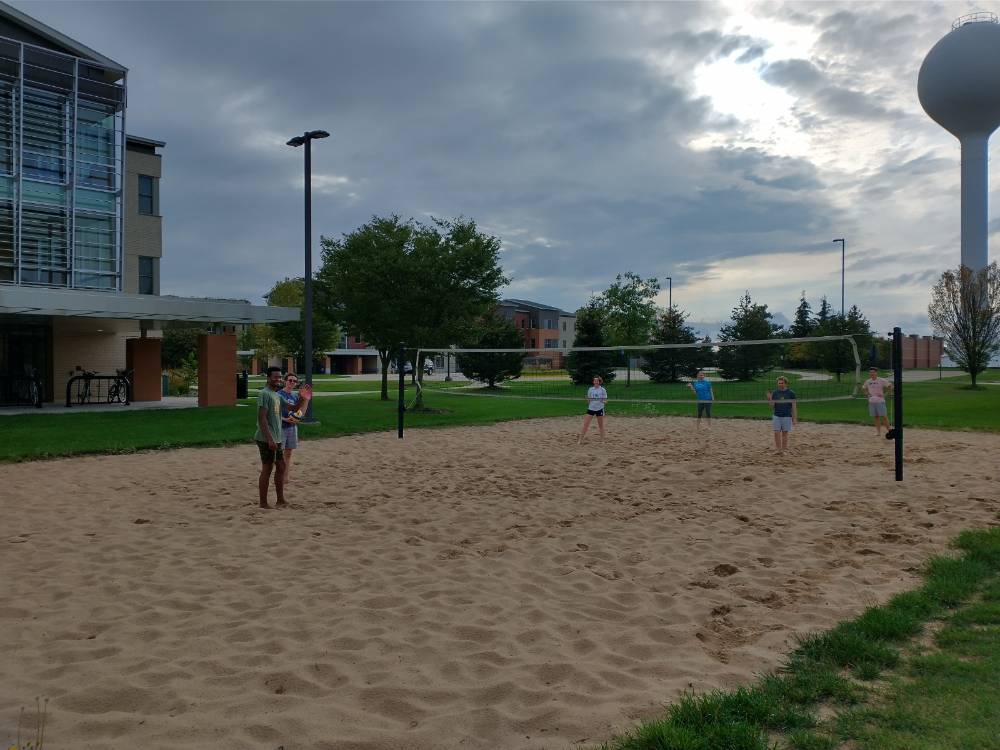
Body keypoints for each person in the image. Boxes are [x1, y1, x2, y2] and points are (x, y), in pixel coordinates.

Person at [255, 366, 286, 509]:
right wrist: (270, 439)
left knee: (281, 466)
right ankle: (263, 503)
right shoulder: (264, 394)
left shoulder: (277, 395)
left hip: (277, 438)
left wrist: (304, 399)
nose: (278, 379)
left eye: (280, 377)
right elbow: (262, 419)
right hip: (266, 438)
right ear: (268, 378)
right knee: (267, 468)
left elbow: (289, 410)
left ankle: (280, 500)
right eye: (276, 377)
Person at [278, 373, 313, 487]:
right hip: (281, 428)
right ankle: (278, 477)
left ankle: (286, 478)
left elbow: (301, 412)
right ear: (285, 381)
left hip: (292, 428)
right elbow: (272, 414)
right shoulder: (278, 395)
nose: (292, 383)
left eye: (294, 381)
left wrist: (306, 400)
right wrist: (285, 419)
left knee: (288, 453)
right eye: (290, 380)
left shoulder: (294, 396)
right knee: (279, 454)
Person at [766, 376, 797, 452]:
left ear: (786, 383)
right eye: (779, 383)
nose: (780, 384)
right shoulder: (775, 393)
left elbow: (794, 407)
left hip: (787, 416)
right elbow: (772, 406)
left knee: (784, 433)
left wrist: (794, 418)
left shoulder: (791, 393)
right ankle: (778, 449)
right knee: (776, 433)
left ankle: (784, 450)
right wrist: (769, 398)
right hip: (777, 415)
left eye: (782, 383)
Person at [862, 366, 892, 436]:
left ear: (876, 373)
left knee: (884, 417)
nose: (872, 373)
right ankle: (878, 432)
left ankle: (890, 432)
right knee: (876, 417)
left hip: (880, 401)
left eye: (873, 372)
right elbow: (863, 388)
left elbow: (890, 386)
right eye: (870, 372)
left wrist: (886, 394)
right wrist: (867, 394)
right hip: (872, 402)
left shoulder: (881, 380)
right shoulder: (868, 381)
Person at [579, 375, 607, 442]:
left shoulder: (603, 390)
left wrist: (602, 400)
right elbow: (588, 401)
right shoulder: (590, 389)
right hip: (591, 409)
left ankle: (602, 440)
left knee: (601, 425)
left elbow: (605, 401)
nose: (596, 382)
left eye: (597, 380)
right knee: (586, 424)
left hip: (599, 409)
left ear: (599, 382)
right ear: (593, 382)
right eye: (595, 380)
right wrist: (587, 399)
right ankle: (580, 440)